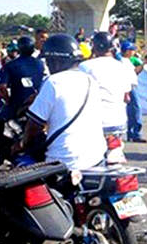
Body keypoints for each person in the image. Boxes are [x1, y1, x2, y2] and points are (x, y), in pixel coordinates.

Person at [15, 34, 105, 170]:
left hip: (64, 163)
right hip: (96, 159)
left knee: (21, 167)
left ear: (55, 61)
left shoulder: (53, 82)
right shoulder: (90, 80)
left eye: (49, 61)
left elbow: (34, 125)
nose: (48, 65)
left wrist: (21, 145)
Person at [79, 33, 137, 137]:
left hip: (93, 124)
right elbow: (127, 97)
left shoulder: (84, 67)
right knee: (115, 151)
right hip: (118, 123)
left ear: (94, 47)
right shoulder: (123, 66)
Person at [0, 36, 46, 120]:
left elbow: (2, 87)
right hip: (36, 105)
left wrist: (8, 101)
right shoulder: (40, 64)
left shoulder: (10, 65)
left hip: (17, 105)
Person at [120, 40, 146, 142]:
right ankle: (136, 133)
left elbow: (134, 72)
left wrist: (142, 65)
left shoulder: (128, 60)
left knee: (132, 110)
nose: (133, 52)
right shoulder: (122, 61)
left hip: (130, 86)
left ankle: (132, 133)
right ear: (127, 51)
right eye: (132, 50)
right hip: (129, 87)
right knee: (135, 109)